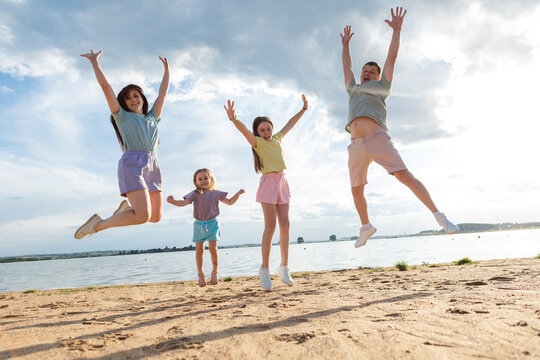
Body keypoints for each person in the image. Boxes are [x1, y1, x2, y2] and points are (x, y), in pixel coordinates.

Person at [340, 7, 459, 248]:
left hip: (376, 138)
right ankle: (366, 227)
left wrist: (397, 30)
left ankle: (439, 216)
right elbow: (347, 68)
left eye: (371, 72)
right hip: (356, 145)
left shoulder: (382, 87)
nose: (366, 73)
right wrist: (345, 47)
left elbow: (391, 58)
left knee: (405, 176)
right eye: (365, 71)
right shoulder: (353, 89)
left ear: (378, 76)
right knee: (356, 189)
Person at [74, 50, 169, 239]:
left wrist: (167, 70)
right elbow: (106, 87)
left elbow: (163, 93)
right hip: (132, 163)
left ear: (142, 98)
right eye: (129, 97)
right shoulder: (122, 117)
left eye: (136, 95)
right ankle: (97, 225)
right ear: (124, 103)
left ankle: (125, 210)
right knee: (142, 216)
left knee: (155, 217)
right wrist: (94, 62)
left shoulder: (152, 118)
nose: (134, 99)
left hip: (152, 165)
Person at [224, 95, 308, 290]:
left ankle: (284, 267)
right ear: (258, 132)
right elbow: (244, 131)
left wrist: (303, 109)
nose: (267, 132)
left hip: (283, 182)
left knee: (285, 224)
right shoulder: (257, 143)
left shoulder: (277, 138)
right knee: (270, 226)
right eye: (262, 130)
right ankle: (264, 269)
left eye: (269, 128)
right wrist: (234, 119)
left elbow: (290, 124)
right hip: (268, 183)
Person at [167, 168, 244, 287]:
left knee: (213, 248)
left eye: (205, 178)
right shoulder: (194, 193)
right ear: (196, 182)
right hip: (199, 225)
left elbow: (229, 202)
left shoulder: (215, 193)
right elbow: (184, 203)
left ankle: (215, 271)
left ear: (210, 179)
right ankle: (201, 274)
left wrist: (238, 194)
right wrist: (173, 202)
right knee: (199, 250)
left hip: (213, 223)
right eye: (200, 179)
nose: (203, 181)